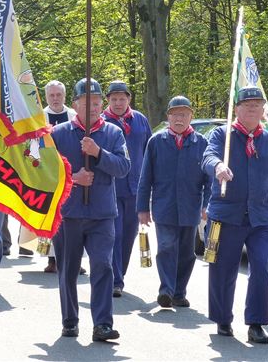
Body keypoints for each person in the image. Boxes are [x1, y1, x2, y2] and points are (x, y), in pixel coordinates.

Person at [201, 86, 268, 344]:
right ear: (236, 109)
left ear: (263, 110)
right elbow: (208, 156)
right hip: (225, 217)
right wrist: (218, 166)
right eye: (247, 105)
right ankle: (222, 318)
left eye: (257, 105)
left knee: (261, 269)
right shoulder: (223, 135)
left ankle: (256, 323)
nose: (252, 109)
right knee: (222, 269)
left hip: (260, 219)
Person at [51, 77, 130, 342]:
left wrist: (98, 153)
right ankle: (69, 321)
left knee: (102, 266)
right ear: (75, 105)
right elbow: (45, 173)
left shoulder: (113, 133)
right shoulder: (59, 133)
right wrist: (73, 178)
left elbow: (123, 168)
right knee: (68, 270)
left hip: (102, 215)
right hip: (69, 214)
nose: (93, 108)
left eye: (96, 103)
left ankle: (103, 324)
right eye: (86, 103)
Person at [137, 96, 211, 308]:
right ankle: (166, 290)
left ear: (191, 117)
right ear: (168, 117)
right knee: (167, 247)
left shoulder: (201, 143)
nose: (179, 119)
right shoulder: (156, 142)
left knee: (187, 253)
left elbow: (209, 180)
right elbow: (145, 177)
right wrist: (142, 208)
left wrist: (207, 204)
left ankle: (179, 292)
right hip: (164, 206)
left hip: (190, 207)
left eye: (184, 114)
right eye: (175, 114)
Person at [102, 80, 151, 297]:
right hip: (110, 187)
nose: (118, 103)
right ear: (108, 100)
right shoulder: (102, 122)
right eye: (114, 99)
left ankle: (120, 274)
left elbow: (150, 152)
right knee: (115, 233)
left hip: (136, 188)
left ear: (129, 99)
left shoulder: (139, 120)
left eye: (122, 99)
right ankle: (114, 279)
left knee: (129, 235)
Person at [41, 80, 77, 272]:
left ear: (64, 96)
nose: (55, 99)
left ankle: (74, 258)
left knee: (73, 216)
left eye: (58, 95)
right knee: (51, 215)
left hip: (72, 173)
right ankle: (52, 259)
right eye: (51, 95)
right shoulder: (40, 116)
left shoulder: (74, 115)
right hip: (48, 173)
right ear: (46, 96)